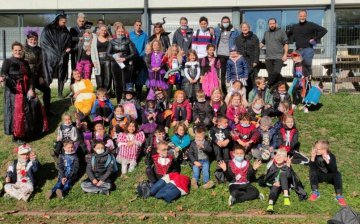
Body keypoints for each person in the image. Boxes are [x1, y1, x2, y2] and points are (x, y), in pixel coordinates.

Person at [0, 42, 35, 144]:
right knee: (16, 113)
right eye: (15, 50)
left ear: (22, 50)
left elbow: (31, 77)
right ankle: (16, 135)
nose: (18, 52)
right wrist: (2, 78)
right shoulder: (8, 61)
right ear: (12, 51)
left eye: (19, 50)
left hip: (25, 90)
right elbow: (3, 73)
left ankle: (24, 132)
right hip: (13, 91)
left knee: (26, 111)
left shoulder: (25, 62)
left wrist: (31, 88)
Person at [287, 9, 327, 76]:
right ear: (298, 16)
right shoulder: (294, 27)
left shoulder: (311, 25)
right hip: (298, 50)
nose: (302, 17)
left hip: (308, 50)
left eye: (304, 16)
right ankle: (298, 84)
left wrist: (315, 39)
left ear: (306, 16)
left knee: (307, 67)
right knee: (296, 68)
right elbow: (286, 35)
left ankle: (308, 84)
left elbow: (324, 30)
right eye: (301, 16)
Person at [41, 14, 71, 98]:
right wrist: (52, 52)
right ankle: (46, 92)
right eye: (62, 21)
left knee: (61, 74)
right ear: (58, 20)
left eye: (65, 22)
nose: (64, 23)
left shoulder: (65, 30)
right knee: (49, 73)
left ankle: (60, 93)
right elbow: (44, 42)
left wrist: (68, 48)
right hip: (51, 56)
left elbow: (68, 41)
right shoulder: (49, 28)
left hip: (62, 56)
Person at [309, 140, 347, 206]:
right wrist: (312, 157)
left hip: (329, 176)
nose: (315, 150)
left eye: (317, 149)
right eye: (315, 148)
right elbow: (312, 168)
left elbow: (334, 170)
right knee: (312, 172)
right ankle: (315, 192)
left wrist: (328, 161)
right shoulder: (315, 156)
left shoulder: (331, 156)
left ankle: (339, 196)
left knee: (337, 174)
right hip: (320, 175)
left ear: (324, 149)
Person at [23, 30, 52, 116]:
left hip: (37, 75)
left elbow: (41, 64)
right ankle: (28, 113)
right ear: (27, 39)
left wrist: (41, 76)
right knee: (28, 94)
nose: (33, 41)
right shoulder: (23, 49)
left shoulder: (40, 50)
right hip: (26, 76)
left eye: (35, 39)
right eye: (31, 39)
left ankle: (47, 111)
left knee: (47, 90)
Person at [107, 25, 136, 104]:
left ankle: (127, 101)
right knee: (117, 83)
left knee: (125, 82)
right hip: (115, 64)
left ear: (124, 32)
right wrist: (115, 57)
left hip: (126, 64)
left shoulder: (128, 41)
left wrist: (125, 58)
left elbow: (133, 53)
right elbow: (108, 53)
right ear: (115, 32)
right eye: (119, 31)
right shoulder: (112, 42)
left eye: (122, 31)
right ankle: (119, 101)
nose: (120, 33)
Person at [214, 16, 240, 94]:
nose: (225, 23)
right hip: (220, 55)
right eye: (224, 22)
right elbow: (212, 34)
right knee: (222, 74)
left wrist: (237, 53)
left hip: (230, 55)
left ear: (229, 22)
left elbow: (238, 42)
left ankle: (233, 91)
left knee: (231, 73)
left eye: (227, 22)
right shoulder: (217, 30)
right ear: (221, 22)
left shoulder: (235, 31)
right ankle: (223, 91)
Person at [260, 18, 289, 88]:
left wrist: (285, 55)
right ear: (268, 25)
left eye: (273, 23)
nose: (272, 25)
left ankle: (267, 85)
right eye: (270, 24)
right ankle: (281, 88)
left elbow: (286, 44)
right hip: (268, 58)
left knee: (276, 72)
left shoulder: (281, 32)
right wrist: (254, 49)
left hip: (279, 57)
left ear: (276, 24)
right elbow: (262, 43)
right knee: (272, 75)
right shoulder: (266, 33)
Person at [235, 22, 260, 93]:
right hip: (242, 61)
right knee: (243, 80)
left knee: (253, 80)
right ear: (241, 29)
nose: (245, 29)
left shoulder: (254, 37)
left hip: (252, 61)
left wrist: (256, 61)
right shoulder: (238, 39)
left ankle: (253, 97)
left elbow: (257, 50)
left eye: (246, 27)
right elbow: (236, 51)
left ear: (249, 28)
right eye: (243, 27)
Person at [130, 19, 149, 100]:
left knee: (140, 77)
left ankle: (139, 96)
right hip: (132, 58)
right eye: (137, 25)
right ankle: (131, 95)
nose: (138, 27)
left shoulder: (145, 35)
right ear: (134, 26)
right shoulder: (130, 34)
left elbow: (147, 46)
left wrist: (143, 55)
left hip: (141, 58)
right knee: (132, 77)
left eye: (139, 25)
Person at [91, 24, 112, 93]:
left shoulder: (109, 39)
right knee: (99, 76)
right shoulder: (94, 39)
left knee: (107, 76)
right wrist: (94, 61)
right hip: (98, 60)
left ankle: (107, 92)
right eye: (102, 30)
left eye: (105, 30)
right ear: (99, 30)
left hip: (107, 60)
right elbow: (92, 51)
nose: (103, 31)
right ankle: (100, 92)